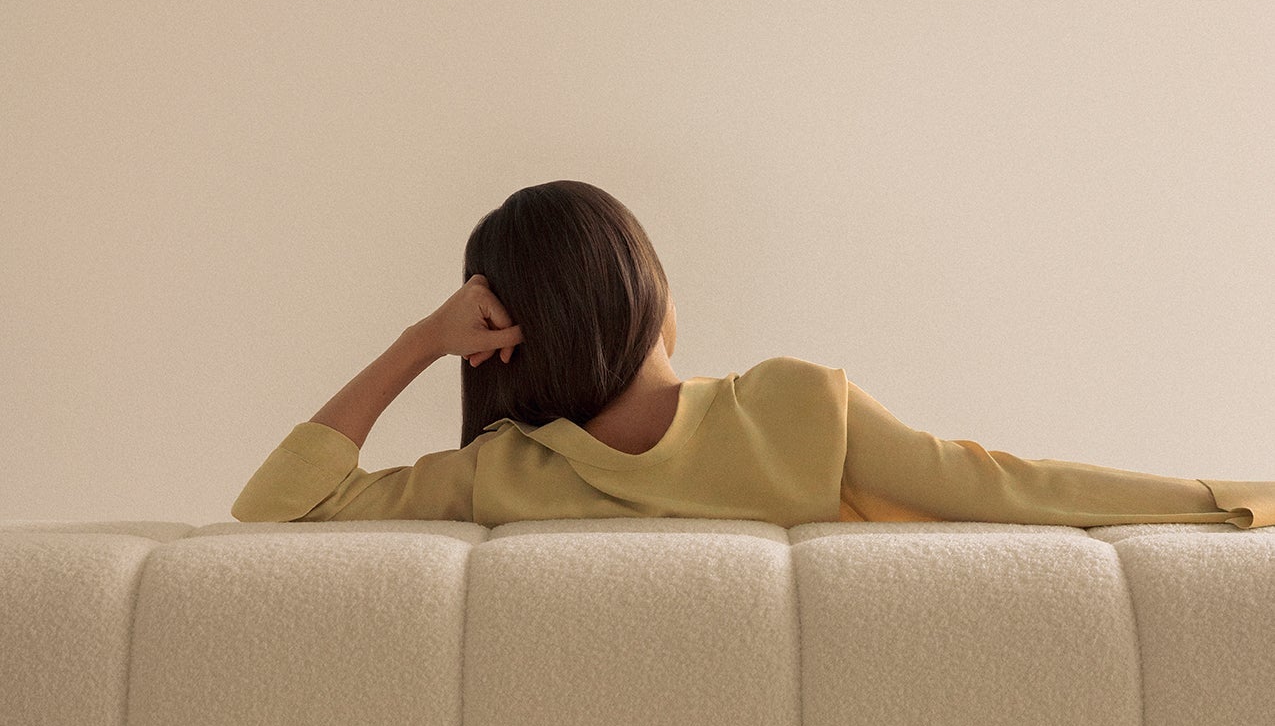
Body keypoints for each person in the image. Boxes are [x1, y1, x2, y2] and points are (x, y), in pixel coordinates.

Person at [231, 180, 1274, 530]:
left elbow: (278, 507)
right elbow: (1006, 488)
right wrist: (1237, 499)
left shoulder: (503, 472)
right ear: (643, 288)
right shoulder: (793, 407)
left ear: (503, 340)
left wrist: (421, 342)